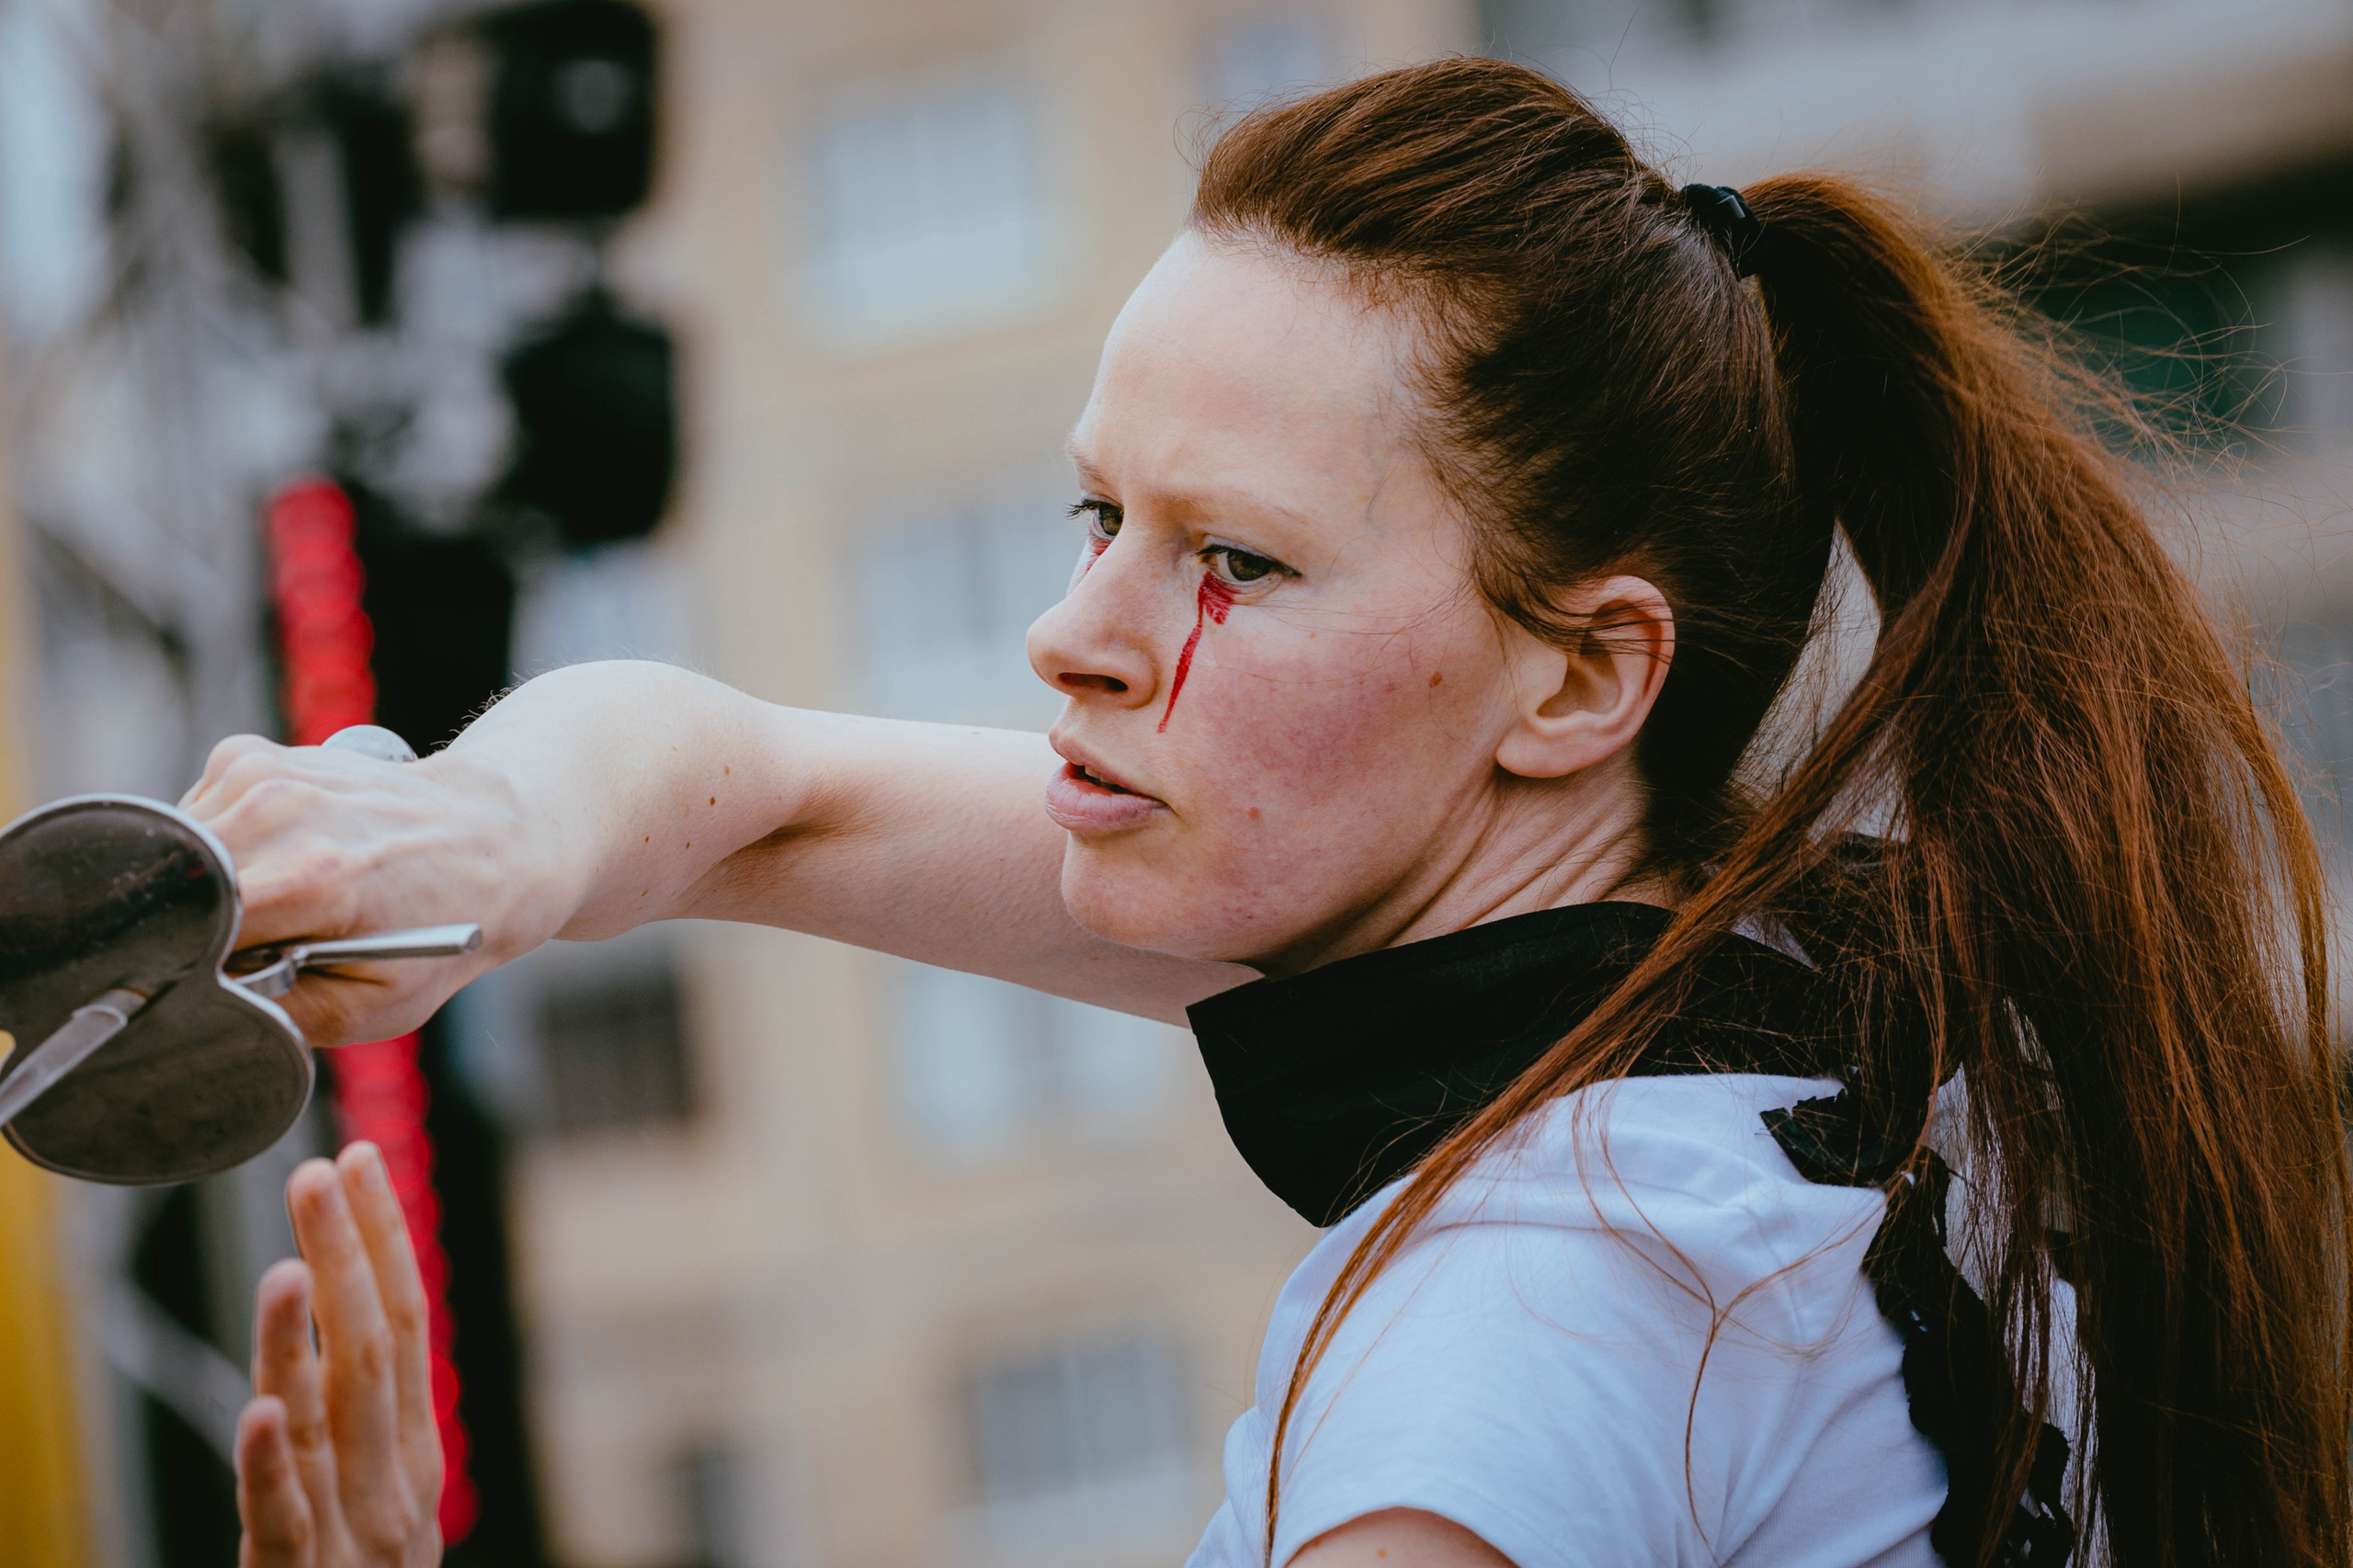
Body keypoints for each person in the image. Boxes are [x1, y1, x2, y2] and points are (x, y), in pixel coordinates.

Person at [202, 59, 2347, 1568]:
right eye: (1099, 515)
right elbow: (754, 792)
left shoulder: (1519, 1338)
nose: (1071, 634)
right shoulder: (1810, 987)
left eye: (1231, 559)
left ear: (1577, 677)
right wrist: (482, 832)